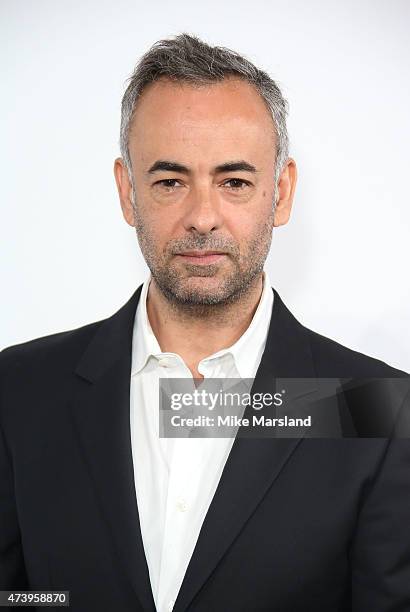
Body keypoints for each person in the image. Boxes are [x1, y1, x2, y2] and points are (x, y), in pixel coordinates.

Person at [1, 33, 409, 612]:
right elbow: (20, 597)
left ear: (281, 193)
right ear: (127, 192)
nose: (202, 217)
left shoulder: (374, 406)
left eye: (234, 182)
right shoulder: (18, 390)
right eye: (170, 182)